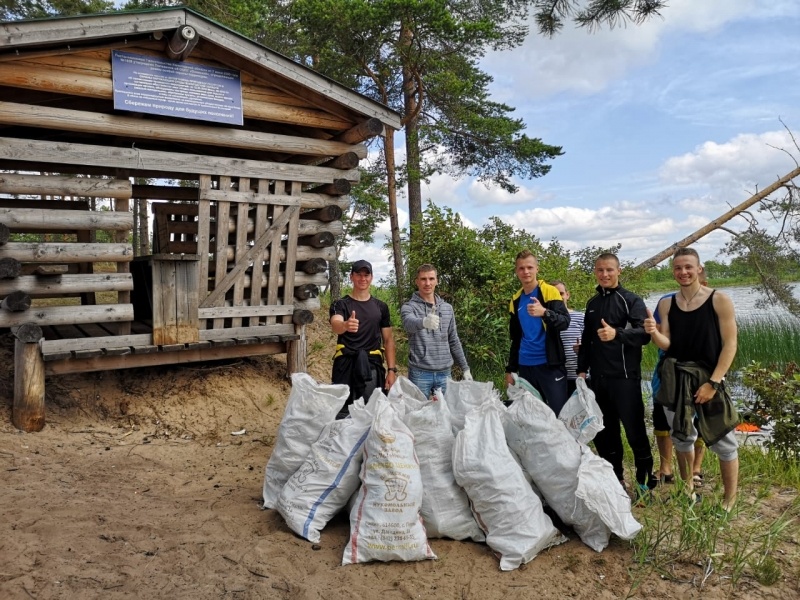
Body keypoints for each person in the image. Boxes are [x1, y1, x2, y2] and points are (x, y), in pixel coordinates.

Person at [645, 248, 739, 511]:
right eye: (677, 268)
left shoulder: (719, 299)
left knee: (724, 441)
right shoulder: (667, 304)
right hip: (675, 378)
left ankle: (729, 501)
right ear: (673, 272)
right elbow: (668, 343)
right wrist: (653, 332)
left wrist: (714, 382)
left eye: (688, 267)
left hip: (709, 377)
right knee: (682, 437)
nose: (683, 272)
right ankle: (687, 491)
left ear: (699, 268)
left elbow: (730, 344)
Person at [577, 253, 657, 496]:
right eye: (600, 270)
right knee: (606, 434)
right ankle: (616, 481)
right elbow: (588, 342)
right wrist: (581, 371)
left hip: (625, 378)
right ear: (595, 272)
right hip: (598, 380)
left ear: (619, 271)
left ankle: (644, 486)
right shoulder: (592, 304)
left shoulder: (630, 300)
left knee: (635, 433)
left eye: (609, 270)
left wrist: (617, 334)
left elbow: (644, 335)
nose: (604, 274)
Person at [651, 267, 708, 485]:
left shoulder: (713, 301)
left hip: (700, 371)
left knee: (698, 419)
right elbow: (658, 331)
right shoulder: (667, 301)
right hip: (667, 370)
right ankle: (665, 468)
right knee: (662, 419)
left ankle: (696, 469)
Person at [504, 250, 571, 416]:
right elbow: (516, 338)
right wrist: (510, 370)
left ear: (537, 269)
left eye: (529, 267)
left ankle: (565, 442)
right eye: (521, 268)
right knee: (533, 417)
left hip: (549, 364)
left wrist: (545, 313)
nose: (525, 272)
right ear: (516, 271)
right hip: (526, 365)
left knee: (558, 414)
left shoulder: (549, 291)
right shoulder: (516, 299)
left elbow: (564, 322)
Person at [330, 260, 397, 418]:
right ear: (351, 277)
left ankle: (366, 443)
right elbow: (335, 324)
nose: (362, 278)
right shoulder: (340, 304)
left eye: (366, 275)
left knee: (371, 412)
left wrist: (392, 370)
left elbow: (388, 340)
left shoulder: (381, 307)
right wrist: (345, 325)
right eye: (358, 275)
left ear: (371, 277)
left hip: (372, 366)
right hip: (345, 365)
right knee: (342, 412)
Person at [401, 264, 471, 397]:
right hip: (419, 373)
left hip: (445, 373)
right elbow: (408, 324)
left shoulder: (447, 308)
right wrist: (423, 322)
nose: (427, 283)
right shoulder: (409, 307)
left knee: (444, 414)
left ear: (437, 281)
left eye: (431, 279)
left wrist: (465, 368)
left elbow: (453, 340)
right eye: (423, 279)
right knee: (419, 414)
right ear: (417, 281)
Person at [549, 280, 584, 397]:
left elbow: (593, 343)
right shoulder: (545, 320)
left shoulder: (581, 317)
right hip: (555, 376)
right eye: (554, 294)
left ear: (567, 295)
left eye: (561, 293)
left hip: (579, 375)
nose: (558, 297)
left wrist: (584, 348)